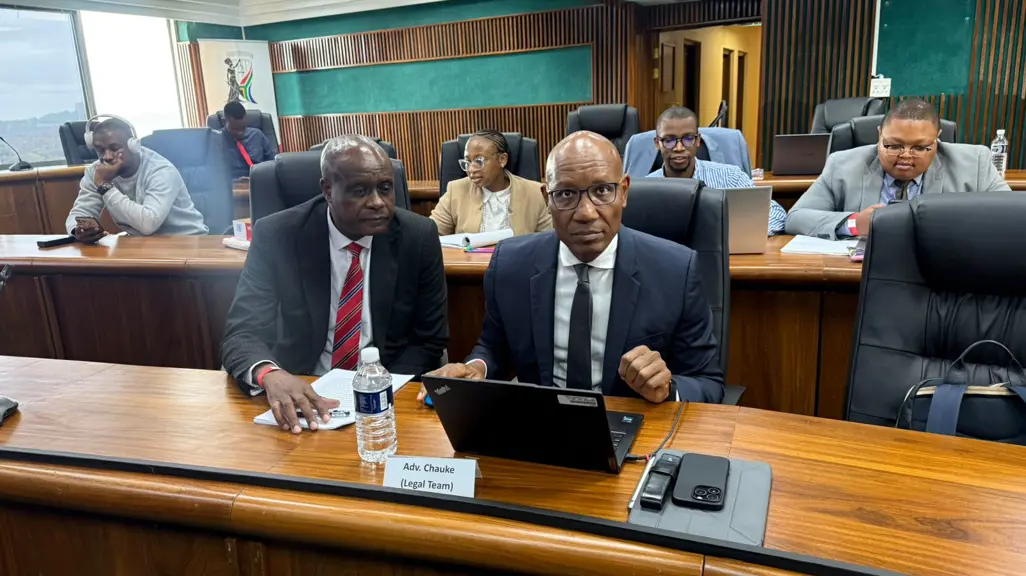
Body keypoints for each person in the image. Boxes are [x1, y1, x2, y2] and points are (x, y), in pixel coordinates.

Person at [422, 131, 724, 404]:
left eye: (602, 190)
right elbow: (493, 348)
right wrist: (476, 368)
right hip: (544, 424)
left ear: (624, 192)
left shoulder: (676, 270)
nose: (586, 213)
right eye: (566, 194)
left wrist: (668, 389)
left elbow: (708, 382)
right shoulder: (511, 265)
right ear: (546, 199)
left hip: (636, 424)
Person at [221, 135, 448, 434]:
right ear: (327, 190)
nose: (377, 202)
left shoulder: (417, 237)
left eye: (385, 188)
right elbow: (242, 333)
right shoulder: (278, 235)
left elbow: (429, 341)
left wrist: (376, 392)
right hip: (301, 392)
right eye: (360, 191)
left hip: (384, 397)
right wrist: (270, 374)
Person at [786, 98, 1011, 238]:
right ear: (879, 135)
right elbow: (796, 218)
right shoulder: (842, 164)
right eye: (893, 145)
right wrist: (855, 223)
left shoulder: (975, 163)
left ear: (937, 139)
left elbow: (1011, 218)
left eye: (920, 147)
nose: (905, 156)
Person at [647, 107, 786, 236]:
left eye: (688, 139)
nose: (679, 148)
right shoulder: (645, 188)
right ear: (657, 143)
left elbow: (775, 213)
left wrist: (736, 235)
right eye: (669, 140)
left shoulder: (730, 176)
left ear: (698, 141)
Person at [66, 116, 208, 241]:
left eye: (115, 148)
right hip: (143, 245)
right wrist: (78, 230)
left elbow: (148, 224)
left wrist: (105, 186)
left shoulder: (160, 170)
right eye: (100, 150)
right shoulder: (97, 171)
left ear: (133, 146)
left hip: (189, 242)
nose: (106, 156)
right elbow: (78, 214)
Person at [430, 130, 551, 236]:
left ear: (502, 160)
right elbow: (431, 234)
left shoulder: (535, 193)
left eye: (479, 161)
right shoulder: (456, 190)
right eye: (467, 162)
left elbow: (551, 239)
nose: (471, 169)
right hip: (469, 257)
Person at [221, 101, 275, 180]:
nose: (240, 133)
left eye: (243, 128)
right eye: (235, 129)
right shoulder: (216, 141)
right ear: (224, 121)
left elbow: (272, 164)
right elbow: (213, 174)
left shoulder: (257, 135)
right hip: (232, 184)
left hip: (258, 181)